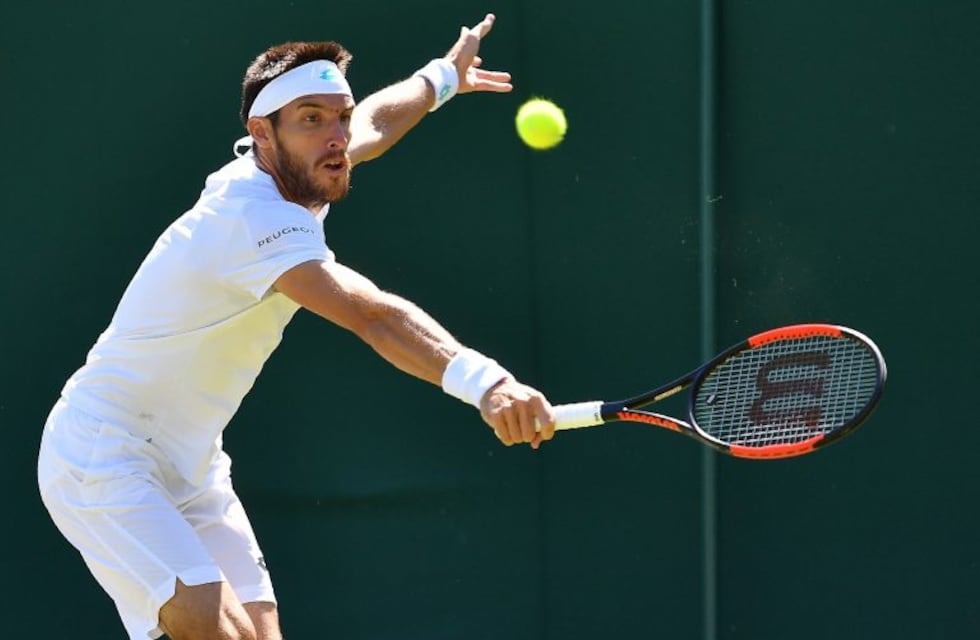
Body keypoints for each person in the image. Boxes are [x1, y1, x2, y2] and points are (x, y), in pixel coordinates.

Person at [37, 13, 557, 640]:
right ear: (263, 132)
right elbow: (369, 314)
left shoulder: (303, 165)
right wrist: (488, 383)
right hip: (103, 455)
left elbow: (378, 123)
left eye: (338, 114)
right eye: (312, 118)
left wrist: (443, 76)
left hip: (193, 463)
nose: (337, 135)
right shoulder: (252, 218)